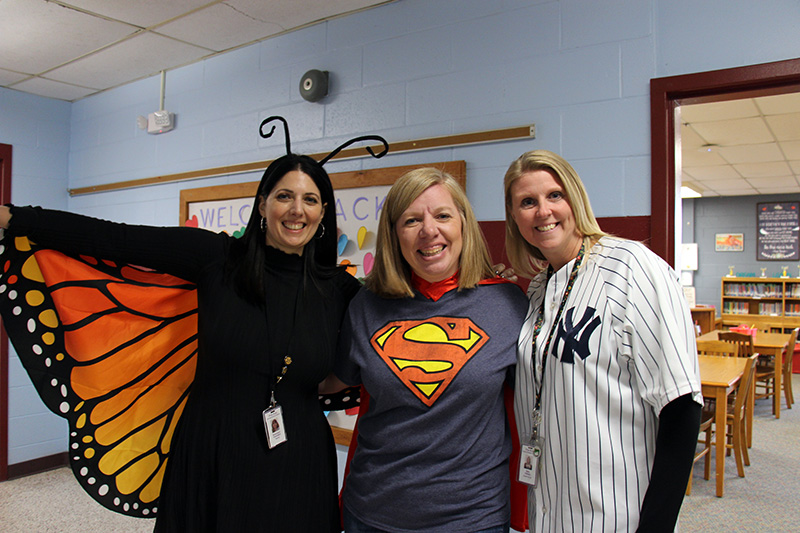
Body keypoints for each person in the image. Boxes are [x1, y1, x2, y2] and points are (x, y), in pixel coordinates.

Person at [0, 117, 387, 532]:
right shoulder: (216, 258)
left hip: (298, 460)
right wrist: (12, 217)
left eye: (310, 200)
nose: (297, 210)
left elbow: (383, 340)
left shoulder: (342, 290)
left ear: (323, 212)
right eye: (284, 196)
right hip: (212, 450)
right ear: (262, 204)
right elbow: (115, 239)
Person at [503, 149, 702, 532]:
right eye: (527, 202)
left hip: (616, 513)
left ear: (575, 198)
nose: (542, 211)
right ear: (515, 217)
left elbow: (680, 405)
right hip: (550, 509)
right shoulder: (539, 289)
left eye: (554, 195)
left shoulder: (631, 267)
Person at [321, 167, 529, 532]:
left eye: (443, 215)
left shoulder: (507, 304)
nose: (429, 231)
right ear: (394, 235)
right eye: (411, 220)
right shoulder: (366, 305)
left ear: (463, 223)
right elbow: (331, 382)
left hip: (472, 519)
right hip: (371, 514)